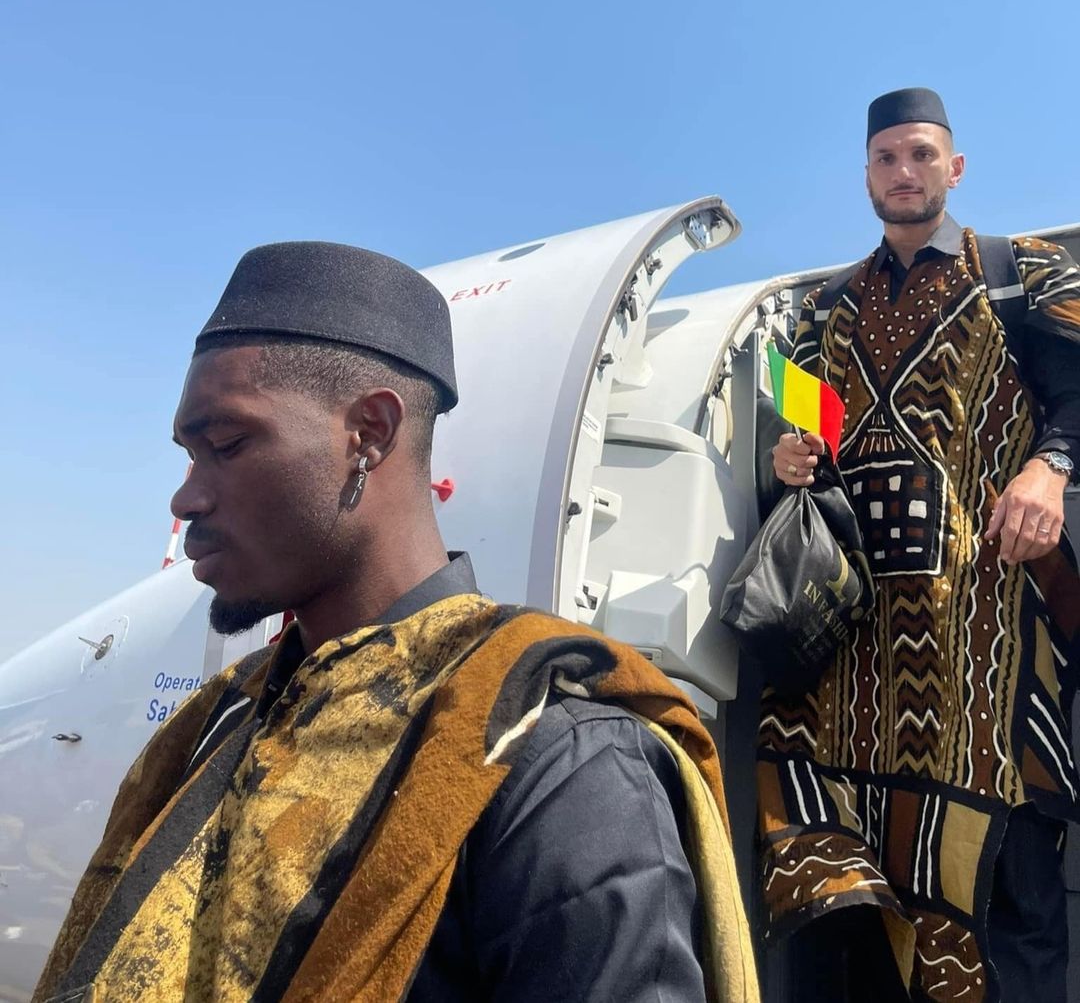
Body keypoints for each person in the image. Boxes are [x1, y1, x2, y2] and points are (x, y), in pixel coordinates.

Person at [34, 241, 759, 1003]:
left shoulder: (560, 765)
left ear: (370, 433)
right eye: (188, 455)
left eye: (226, 445)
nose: (185, 501)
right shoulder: (221, 728)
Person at [759, 88, 1080, 1001]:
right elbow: (802, 430)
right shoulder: (820, 310)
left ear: (955, 167)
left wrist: (1049, 469)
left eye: (923, 156)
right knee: (847, 912)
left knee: (1007, 886)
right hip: (849, 659)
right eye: (889, 159)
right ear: (867, 175)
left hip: (988, 636)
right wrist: (792, 456)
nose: (906, 174)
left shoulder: (1024, 271)